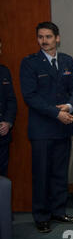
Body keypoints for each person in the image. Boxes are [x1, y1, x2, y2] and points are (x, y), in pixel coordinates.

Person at [20, 22, 73, 233]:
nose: (44, 41)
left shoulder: (66, 60)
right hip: (42, 129)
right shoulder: (30, 63)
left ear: (57, 38)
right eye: (40, 37)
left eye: (48, 37)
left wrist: (70, 106)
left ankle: (58, 211)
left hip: (63, 128)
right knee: (42, 174)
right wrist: (57, 113)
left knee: (59, 173)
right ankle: (42, 215)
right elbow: (30, 96)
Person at [0, 38, 17, 177]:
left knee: (2, 178)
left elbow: (11, 100)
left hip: (2, 135)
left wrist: (8, 121)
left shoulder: (4, 72)